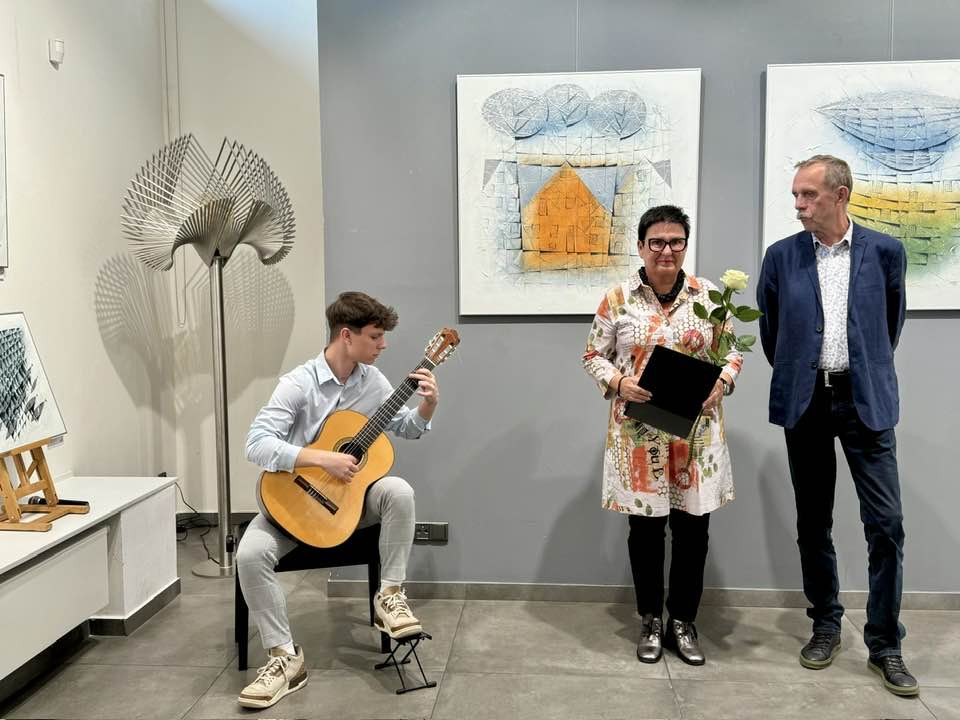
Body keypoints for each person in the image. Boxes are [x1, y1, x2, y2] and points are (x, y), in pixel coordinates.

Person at [757, 155, 917, 697]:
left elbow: (889, 324)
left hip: (864, 400)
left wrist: (860, 370)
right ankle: (825, 623)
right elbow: (773, 331)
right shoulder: (781, 257)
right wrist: (804, 371)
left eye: (809, 195)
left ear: (840, 195)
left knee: (887, 525)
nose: (799, 205)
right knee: (812, 521)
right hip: (806, 402)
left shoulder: (885, 252)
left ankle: (885, 644)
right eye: (796, 195)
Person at [234, 291, 439, 709]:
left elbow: (406, 428)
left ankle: (390, 596)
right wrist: (321, 458)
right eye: (375, 337)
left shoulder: (373, 382)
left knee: (398, 490)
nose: (383, 345)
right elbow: (256, 444)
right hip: (293, 505)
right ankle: (285, 659)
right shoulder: (298, 384)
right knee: (249, 556)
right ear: (346, 335)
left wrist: (428, 405)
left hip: (348, 506)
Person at [582, 204, 742, 666]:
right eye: (657, 242)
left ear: (685, 246)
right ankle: (651, 618)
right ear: (641, 246)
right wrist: (618, 382)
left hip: (695, 437)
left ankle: (684, 621)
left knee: (693, 532)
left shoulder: (710, 297)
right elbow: (592, 355)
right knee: (646, 532)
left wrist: (722, 381)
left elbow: (732, 353)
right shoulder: (617, 299)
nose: (666, 250)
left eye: (675, 242)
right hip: (640, 437)